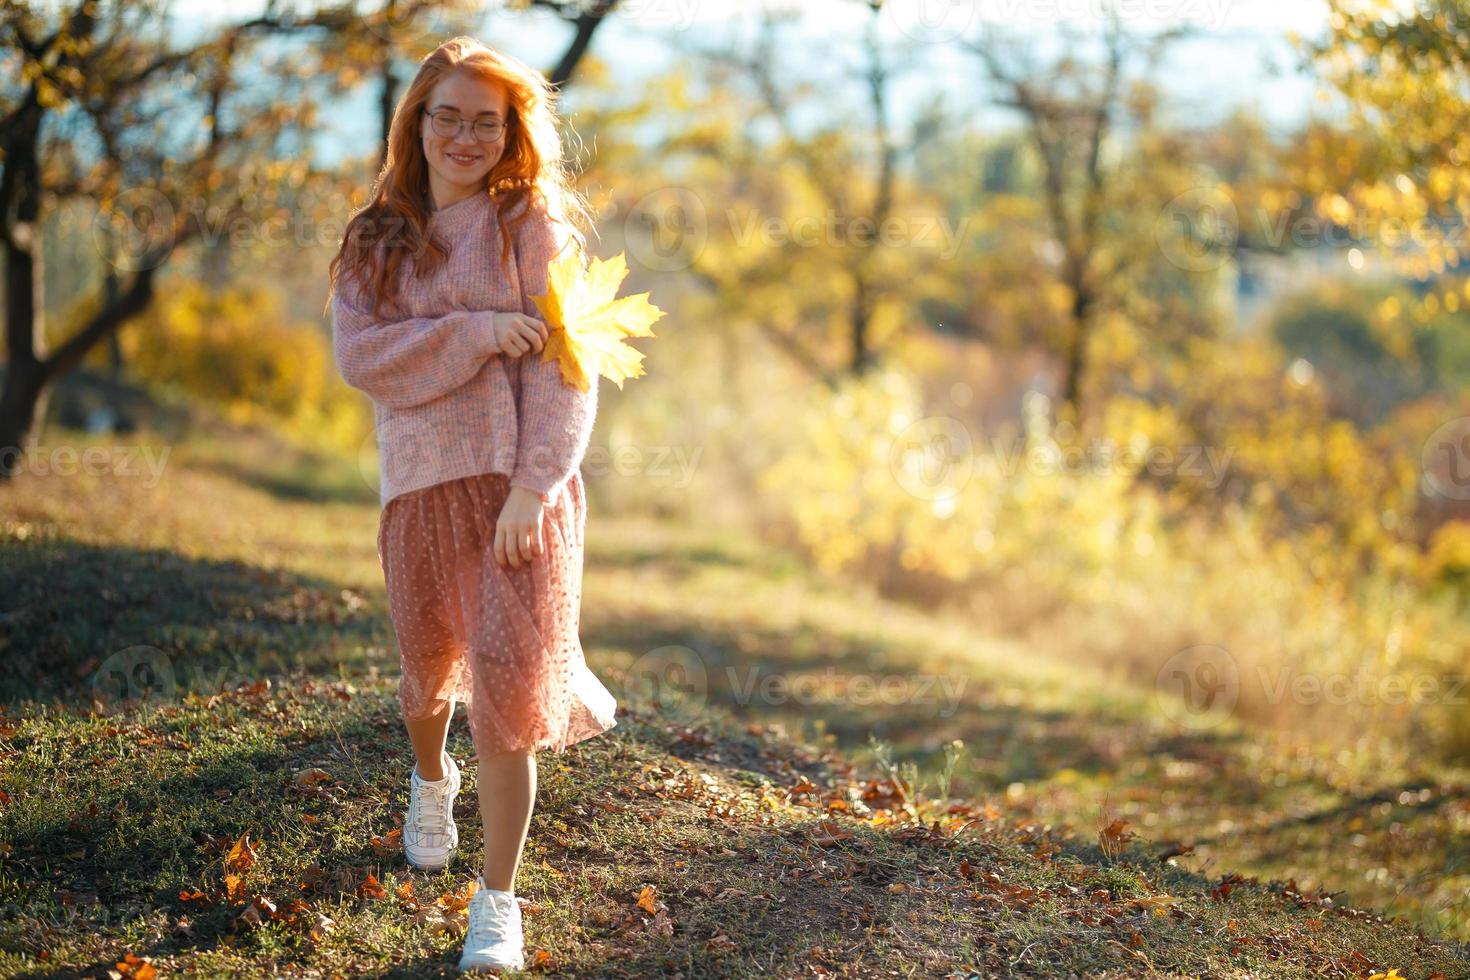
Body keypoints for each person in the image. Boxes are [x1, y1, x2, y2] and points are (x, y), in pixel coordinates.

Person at [325, 35, 618, 973]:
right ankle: (428, 777)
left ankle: (497, 903)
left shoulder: (530, 224)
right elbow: (365, 360)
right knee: (428, 668)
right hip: (420, 488)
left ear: (510, 132)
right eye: (445, 116)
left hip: (520, 495)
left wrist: (535, 486)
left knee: (506, 692)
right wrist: (479, 333)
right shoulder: (375, 238)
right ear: (416, 122)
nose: (464, 135)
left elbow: (571, 371)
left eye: (485, 121)